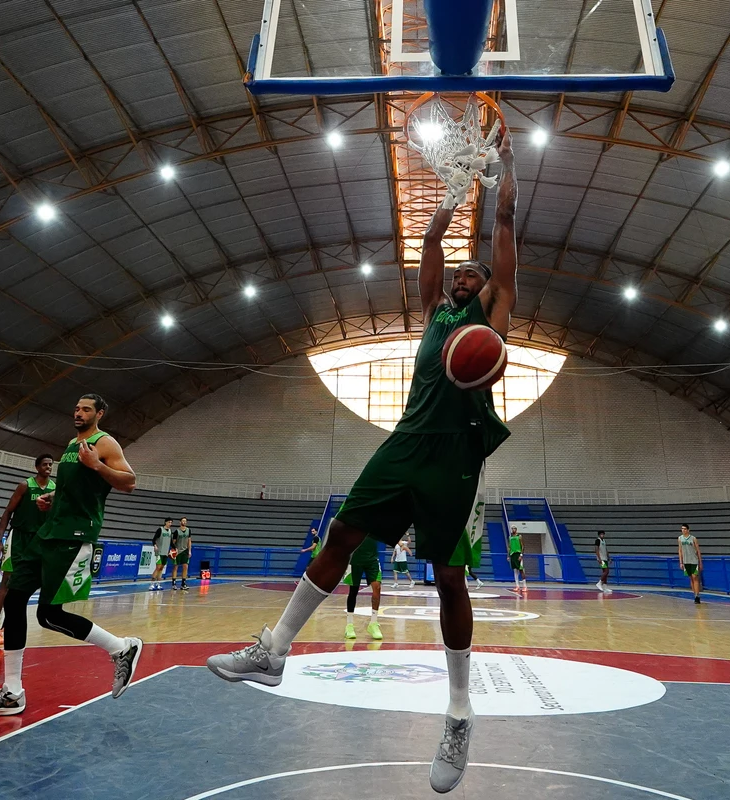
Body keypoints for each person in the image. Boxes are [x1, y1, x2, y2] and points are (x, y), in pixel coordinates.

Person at [206, 128, 518, 794]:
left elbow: (508, 223)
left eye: (476, 273)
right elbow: (432, 242)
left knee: (448, 578)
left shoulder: (494, 314)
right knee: (342, 533)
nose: (466, 274)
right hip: (404, 440)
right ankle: (276, 649)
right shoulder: (437, 309)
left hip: (456, 456)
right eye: (462, 272)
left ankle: (459, 713)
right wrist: (455, 191)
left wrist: (504, 168)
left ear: (490, 289)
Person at [0, 394, 142, 718]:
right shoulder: (72, 445)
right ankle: (12, 693)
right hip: (49, 533)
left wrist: (98, 465)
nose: (78, 412)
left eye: (86, 409)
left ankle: (122, 648)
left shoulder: (104, 443)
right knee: (14, 601)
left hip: (73, 536)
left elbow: (129, 482)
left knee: (49, 614)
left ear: (99, 414)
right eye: (76, 407)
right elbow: (73, 486)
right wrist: (52, 496)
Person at [0, 454, 55, 648]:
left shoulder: (54, 490)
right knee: (7, 581)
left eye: (50, 464)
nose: (48, 467)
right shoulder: (25, 485)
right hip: (19, 537)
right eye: (45, 464)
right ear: (37, 467)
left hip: (39, 541)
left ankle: (7, 628)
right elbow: (8, 511)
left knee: (21, 585)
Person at [342, 537, 383, 641]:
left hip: (372, 559)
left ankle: (373, 623)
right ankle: (349, 625)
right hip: (355, 559)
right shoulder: (354, 521)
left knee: (377, 588)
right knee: (353, 591)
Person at [678, 524, 702, 604]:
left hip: (694, 560)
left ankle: (697, 596)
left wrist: (700, 562)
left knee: (695, 577)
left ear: (688, 530)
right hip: (686, 561)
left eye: (685, 529)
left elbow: (698, 550)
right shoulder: (680, 538)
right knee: (691, 578)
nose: (683, 530)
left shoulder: (693, 538)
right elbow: (680, 550)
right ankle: (694, 594)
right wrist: (681, 562)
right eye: (682, 529)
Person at [151, 518, 173, 591]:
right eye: (169, 522)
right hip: (159, 552)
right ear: (165, 522)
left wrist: (175, 548)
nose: (170, 523)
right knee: (158, 567)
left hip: (165, 553)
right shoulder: (160, 529)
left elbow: (171, 542)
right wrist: (155, 545)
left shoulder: (170, 531)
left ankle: (158, 583)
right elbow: (154, 539)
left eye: (171, 522)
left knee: (161, 568)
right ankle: (152, 584)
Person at [171, 517, 192, 590]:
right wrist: (174, 550)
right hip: (178, 551)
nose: (184, 522)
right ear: (180, 522)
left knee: (185, 567)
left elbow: (189, 541)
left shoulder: (188, 530)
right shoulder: (177, 531)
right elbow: (173, 542)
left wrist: (189, 551)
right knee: (175, 567)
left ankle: (183, 583)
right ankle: (174, 583)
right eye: (183, 521)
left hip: (185, 551)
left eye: (185, 521)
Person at [509, 526, 527, 591]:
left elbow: (522, 546)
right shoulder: (510, 537)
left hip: (518, 554)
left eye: (514, 528)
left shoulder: (519, 536)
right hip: (512, 554)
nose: (513, 530)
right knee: (515, 570)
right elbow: (509, 547)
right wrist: (508, 555)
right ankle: (517, 586)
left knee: (521, 569)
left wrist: (521, 555)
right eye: (512, 529)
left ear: (516, 530)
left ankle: (525, 586)